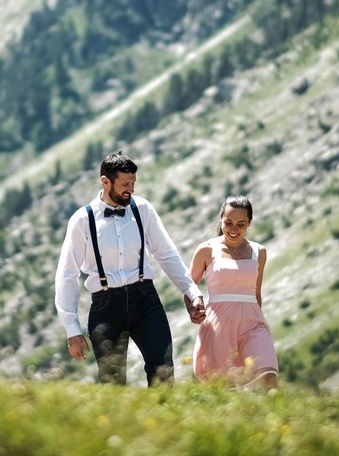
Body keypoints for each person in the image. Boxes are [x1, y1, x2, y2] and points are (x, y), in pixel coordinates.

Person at [55, 152, 206, 385]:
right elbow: (67, 274)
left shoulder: (143, 209)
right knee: (113, 381)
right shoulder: (82, 220)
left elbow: (166, 254)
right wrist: (72, 328)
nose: (131, 190)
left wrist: (192, 291)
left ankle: (163, 410)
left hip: (145, 299)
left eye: (133, 183)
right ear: (105, 182)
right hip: (105, 306)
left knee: (163, 368)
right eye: (125, 184)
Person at [190, 195, 278, 390]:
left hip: (253, 324)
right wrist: (193, 307)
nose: (233, 229)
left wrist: (257, 316)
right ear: (221, 219)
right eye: (228, 223)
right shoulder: (206, 250)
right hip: (219, 326)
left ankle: (279, 410)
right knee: (227, 389)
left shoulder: (259, 252)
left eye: (241, 224)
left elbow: (256, 293)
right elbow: (189, 287)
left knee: (268, 376)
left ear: (249, 223)